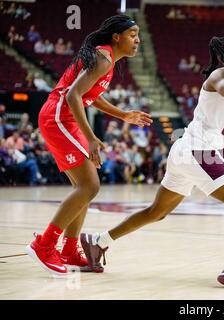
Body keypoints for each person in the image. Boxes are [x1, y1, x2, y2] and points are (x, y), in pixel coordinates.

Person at [80, 22, 224, 288]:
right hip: (199, 151)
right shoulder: (220, 75)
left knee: (156, 212)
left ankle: (98, 241)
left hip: (190, 152)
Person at [25, 15, 152, 276]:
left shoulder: (107, 60)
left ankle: (70, 249)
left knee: (84, 188)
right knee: (89, 185)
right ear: (116, 37)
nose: (138, 39)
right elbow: (73, 95)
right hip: (59, 116)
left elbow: (90, 96)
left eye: (138, 34)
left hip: (66, 118)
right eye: (132, 34)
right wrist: (91, 137)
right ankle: (44, 244)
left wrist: (123, 114)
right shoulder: (104, 57)